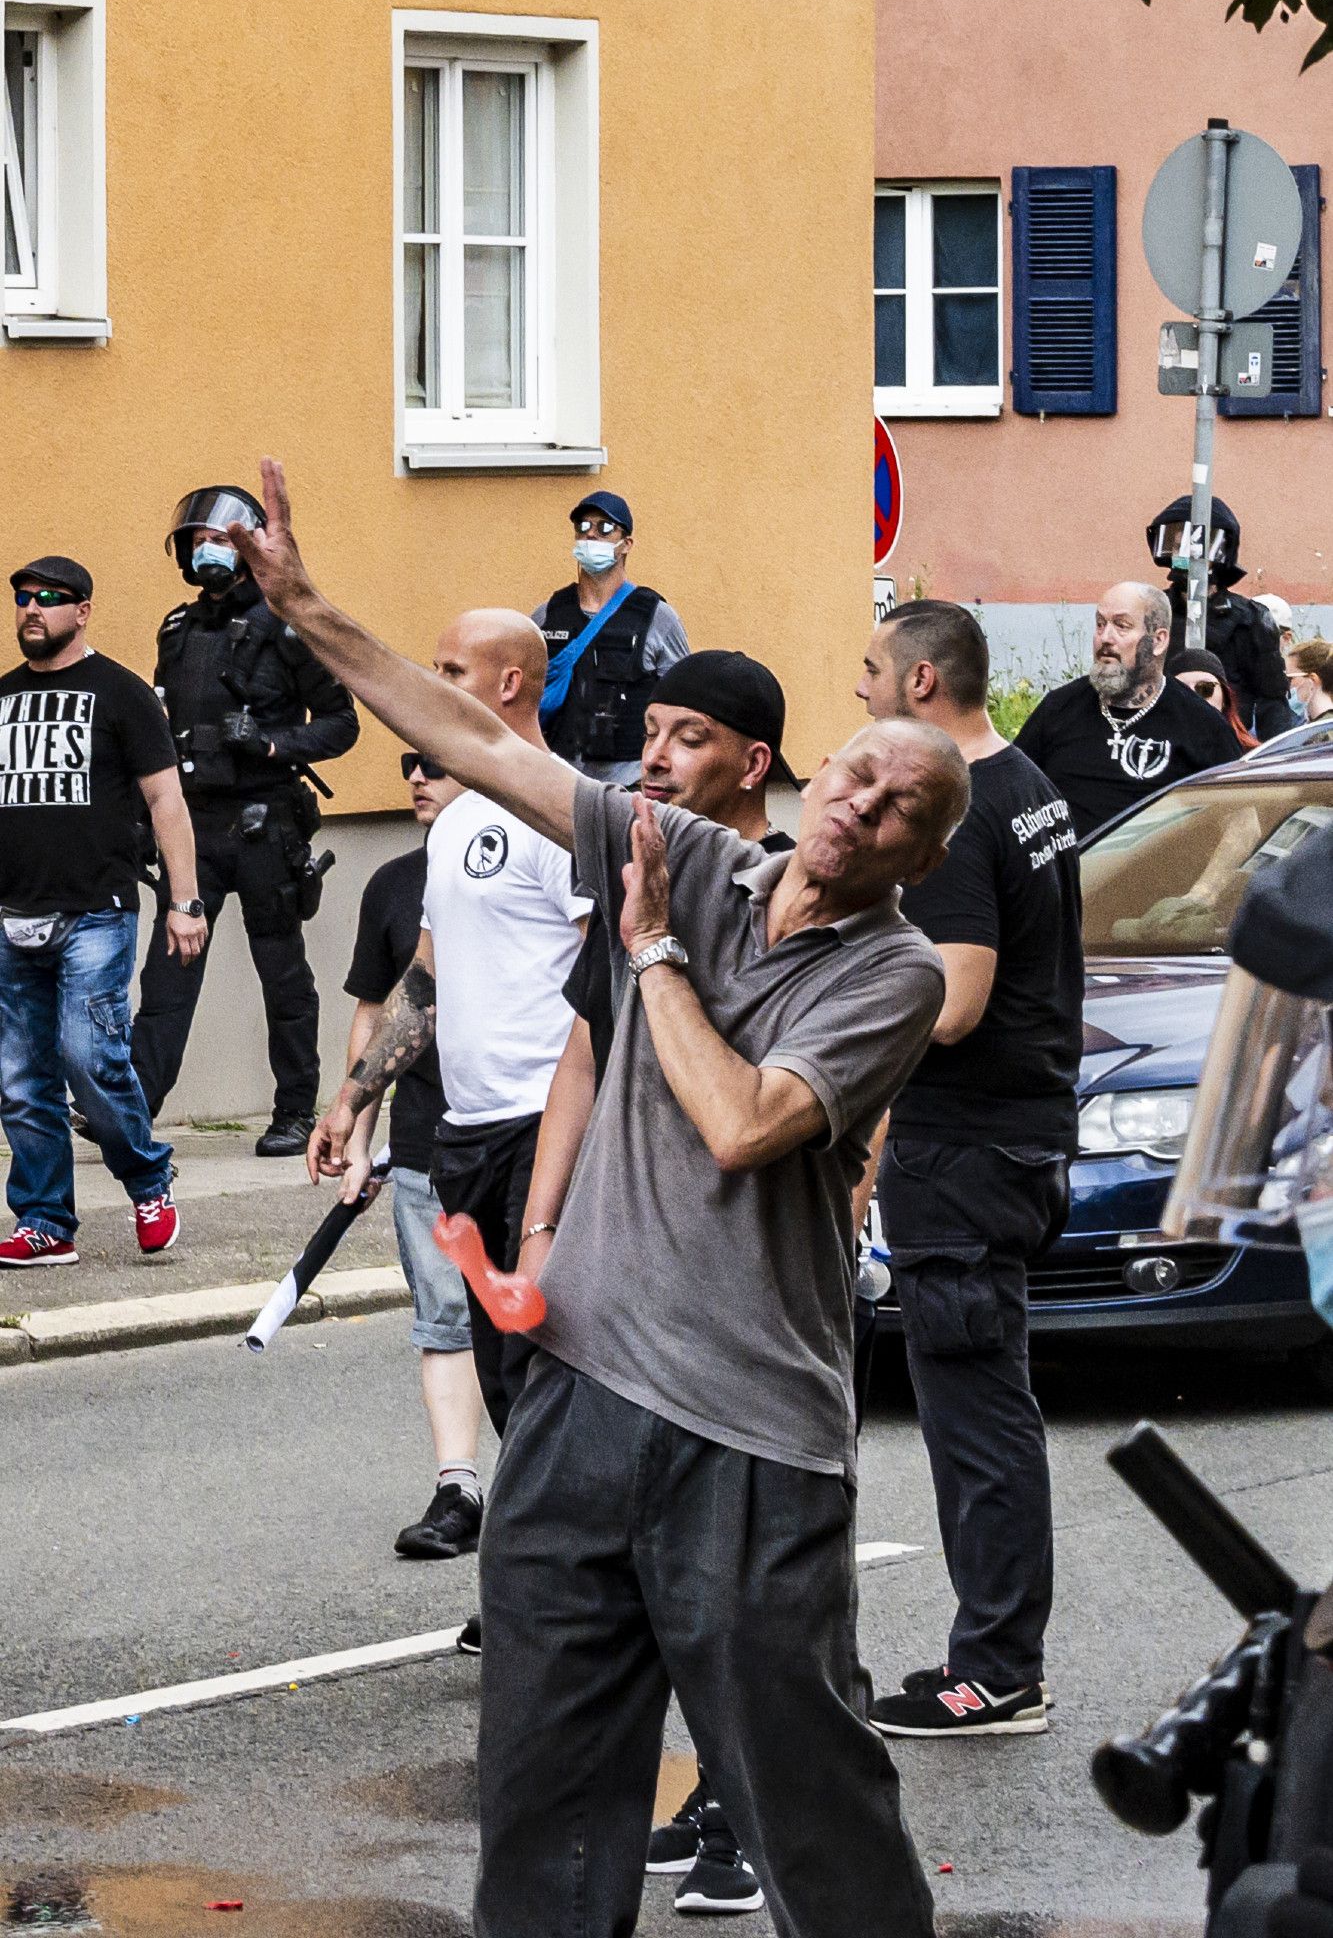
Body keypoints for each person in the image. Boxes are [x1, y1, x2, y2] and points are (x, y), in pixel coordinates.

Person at [227, 456, 968, 1938]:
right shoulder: (680, 852)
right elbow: (478, 741)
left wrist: (650, 958)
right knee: (547, 1793)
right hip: (576, 1400)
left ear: (920, 852)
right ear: (815, 775)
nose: (863, 808)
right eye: (858, 776)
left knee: (799, 1789)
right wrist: (311, 609)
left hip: (748, 1433)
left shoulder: (890, 972)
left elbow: (744, 1124)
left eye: (899, 809)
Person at [518, 648, 793, 1919]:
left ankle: (751, 1818)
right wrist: (539, 1226)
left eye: (687, 737)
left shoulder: (794, 896)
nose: (654, 754)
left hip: (743, 1322)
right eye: (650, 730)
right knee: (611, 1602)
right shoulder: (633, 877)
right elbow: (586, 1050)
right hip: (610, 1301)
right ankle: (675, 1820)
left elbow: (824, 1118)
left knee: (748, 1615)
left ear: (752, 759)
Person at [856, 601, 1082, 1738]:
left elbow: (954, 1002)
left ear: (923, 678)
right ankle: (1001, 1655)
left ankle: (995, 1669)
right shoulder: (1030, 781)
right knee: (995, 1402)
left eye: (871, 669)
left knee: (976, 1417)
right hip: (1019, 1129)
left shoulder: (955, 808)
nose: (859, 687)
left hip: (965, 1144)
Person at [307, 608, 590, 1450]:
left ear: (510, 684)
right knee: (504, 1374)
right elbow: (425, 978)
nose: (433, 688)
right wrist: (354, 1098)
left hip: (545, 1132)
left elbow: (606, 987)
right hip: (462, 1135)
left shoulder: (558, 808)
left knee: (553, 1367)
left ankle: (580, 1560)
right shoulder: (460, 817)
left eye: (451, 672)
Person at [131, 486, 359, 1157]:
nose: (206, 551)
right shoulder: (176, 629)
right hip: (192, 827)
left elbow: (342, 723)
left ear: (248, 543)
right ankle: (134, 1105)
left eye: (219, 538)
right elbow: (157, 727)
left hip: (264, 823)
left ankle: (294, 1111)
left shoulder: (287, 626)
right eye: (196, 540)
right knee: (168, 971)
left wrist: (270, 745)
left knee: (281, 971)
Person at [0, 556, 207, 1266]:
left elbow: (166, 802)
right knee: (21, 1083)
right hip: (11, 915)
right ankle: (45, 1222)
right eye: (24, 598)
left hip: (97, 910)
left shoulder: (120, 694)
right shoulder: (1, 699)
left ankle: (148, 1178)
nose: (33, 609)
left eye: (49, 599)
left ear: (82, 610)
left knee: (90, 1060)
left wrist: (185, 901)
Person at [336, 749, 485, 1561]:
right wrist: (356, 1134)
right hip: (427, 1145)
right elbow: (375, 1011)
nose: (418, 777)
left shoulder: (529, 860)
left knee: (534, 1332)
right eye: (408, 764)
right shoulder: (393, 883)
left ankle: (550, 1508)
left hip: (523, 1145)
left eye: (436, 762)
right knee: (444, 1321)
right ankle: (457, 1489)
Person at [1015, 582, 1242, 840]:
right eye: (1100, 624)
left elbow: (1242, 827)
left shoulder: (1202, 725)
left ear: (1158, 640)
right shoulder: (1059, 707)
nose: (1105, 638)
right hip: (1065, 876)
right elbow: (1010, 793)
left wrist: (1206, 883)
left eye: (1121, 626)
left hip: (1155, 878)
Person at [533, 490, 689, 784]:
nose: (591, 535)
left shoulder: (656, 616)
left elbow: (683, 701)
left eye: (605, 528)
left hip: (628, 784)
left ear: (625, 544)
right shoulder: (548, 615)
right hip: (558, 780)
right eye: (582, 527)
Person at [1147, 494, 1291, 740]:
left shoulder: (1252, 620)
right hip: (1162, 740)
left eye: (1195, 546)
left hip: (1228, 746)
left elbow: (1272, 702)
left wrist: (1270, 765)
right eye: (1177, 543)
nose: (1185, 554)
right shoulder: (1152, 612)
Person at [1167, 647, 1258, 751]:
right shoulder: (1153, 754)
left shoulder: (1251, 758)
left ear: (1225, 698)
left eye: (1205, 688)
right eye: (1181, 690)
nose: (1193, 698)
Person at [1286, 639, 1333, 725]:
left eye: (1290, 678)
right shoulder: (1312, 725)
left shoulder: (1323, 731)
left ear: (1312, 681)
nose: (1285, 685)